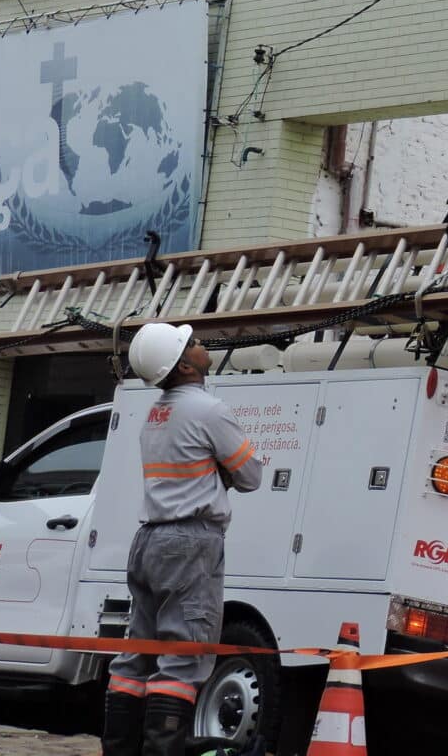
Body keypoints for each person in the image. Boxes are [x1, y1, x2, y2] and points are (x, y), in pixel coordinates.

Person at [104, 323, 264, 756]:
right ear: (184, 365)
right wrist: (221, 476)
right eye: (191, 343)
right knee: (182, 657)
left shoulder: (156, 415)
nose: (200, 344)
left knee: (135, 655)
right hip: (190, 542)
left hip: (149, 540)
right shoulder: (209, 410)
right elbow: (251, 476)